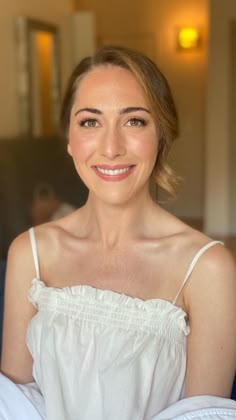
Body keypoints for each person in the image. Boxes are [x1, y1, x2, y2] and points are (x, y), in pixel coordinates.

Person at [0, 45, 236, 419]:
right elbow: (13, 405)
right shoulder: (30, 252)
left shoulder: (207, 268)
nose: (111, 147)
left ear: (160, 136)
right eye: (90, 122)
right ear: (70, 139)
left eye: (134, 121)